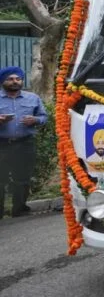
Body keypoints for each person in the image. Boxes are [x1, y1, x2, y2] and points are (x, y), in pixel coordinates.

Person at [0, 66, 48, 219]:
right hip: (2, 144)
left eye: (18, 79)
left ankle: (19, 209)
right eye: (10, 79)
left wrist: (35, 120)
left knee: (22, 178)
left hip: (24, 144)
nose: (15, 82)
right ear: (3, 81)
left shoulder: (32, 98)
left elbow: (44, 117)